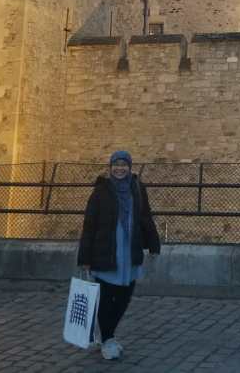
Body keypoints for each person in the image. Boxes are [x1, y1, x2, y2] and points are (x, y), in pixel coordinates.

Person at [78, 151, 161, 360]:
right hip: (105, 253)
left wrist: (154, 244)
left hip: (129, 252)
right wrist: (85, 258)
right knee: (106, 299)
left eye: (124, 164)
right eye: (116, 164)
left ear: (130, 167)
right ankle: (108, 339)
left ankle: (107, 335)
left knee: (124, 298)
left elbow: (145, 217)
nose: (120, 168)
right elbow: (89, 226)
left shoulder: (137, 189)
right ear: (110, 167)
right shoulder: (100, 192)